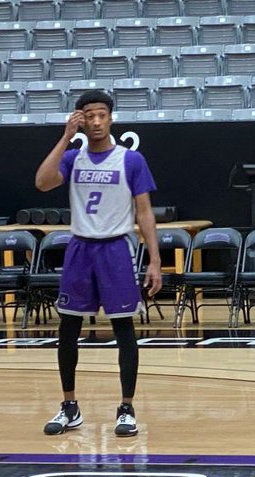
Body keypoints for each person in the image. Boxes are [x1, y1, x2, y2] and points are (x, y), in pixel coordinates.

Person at [35, 90, 162, 438]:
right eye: (88, 115)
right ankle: (69, 407)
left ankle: (126, 408)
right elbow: (42, 183)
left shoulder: (130, 160)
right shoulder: (73, 157)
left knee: (123, 329)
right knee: (68, 329)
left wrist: (154, 258)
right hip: (80, 248)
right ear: (79, 119)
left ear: (111, 118)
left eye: (101, 114)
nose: (94, 121)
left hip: (115, 248)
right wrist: (64, 138)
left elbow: (144, 211)